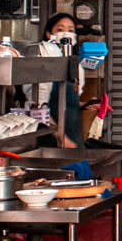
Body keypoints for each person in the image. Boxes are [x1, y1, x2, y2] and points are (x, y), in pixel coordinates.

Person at [37, 13, 84, 149]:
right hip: (52, 139)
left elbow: (69, 101)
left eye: (70, 30)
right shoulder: (42, 63)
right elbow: (39, 109)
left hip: (73, 135)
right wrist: (61, 137)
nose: (66, 34)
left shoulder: (76, 65)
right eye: (60, 29)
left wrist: (86, 104)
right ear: (48, 34)